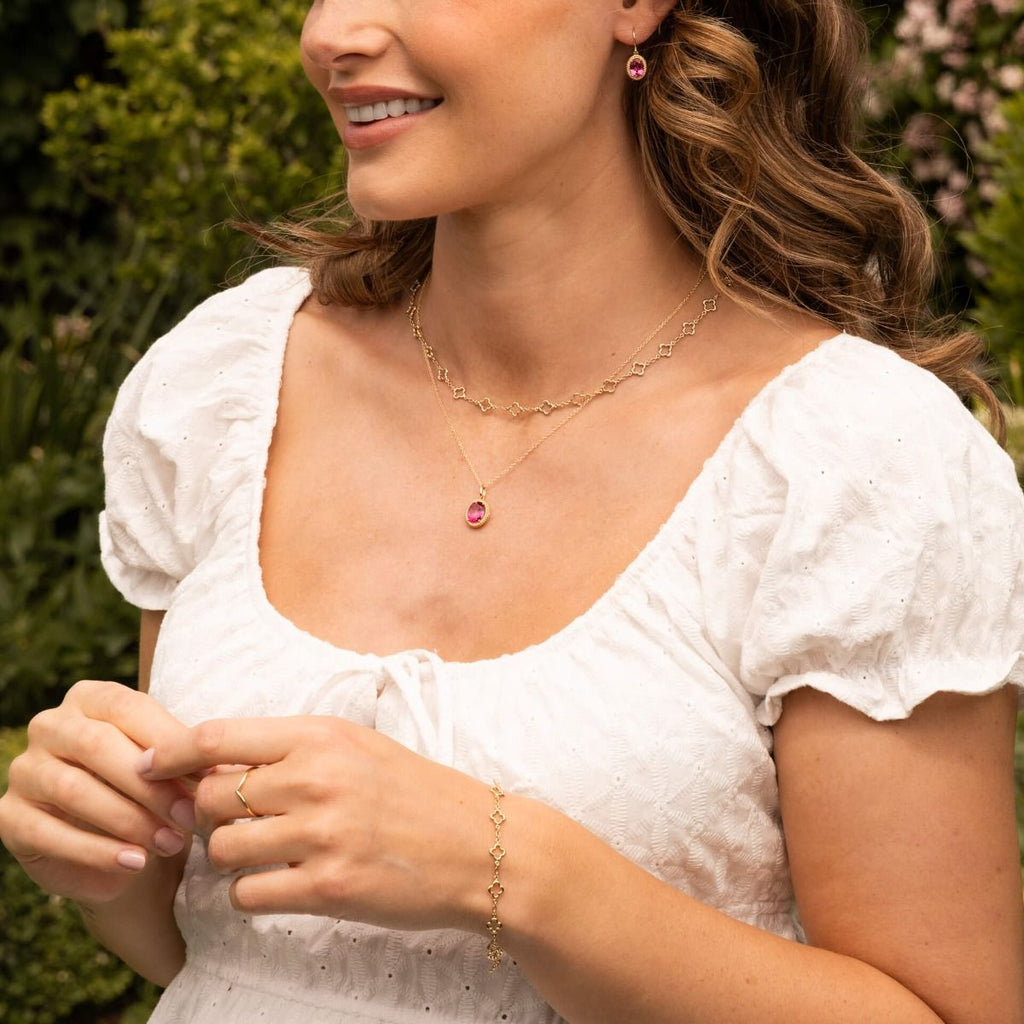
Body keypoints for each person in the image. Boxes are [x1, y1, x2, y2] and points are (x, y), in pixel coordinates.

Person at [1, 0, 1023, 1020]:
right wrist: (108, 853)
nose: (334, 34)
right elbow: (210, 955)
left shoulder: (848, 463)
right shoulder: (226, 386)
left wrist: (511, 872)